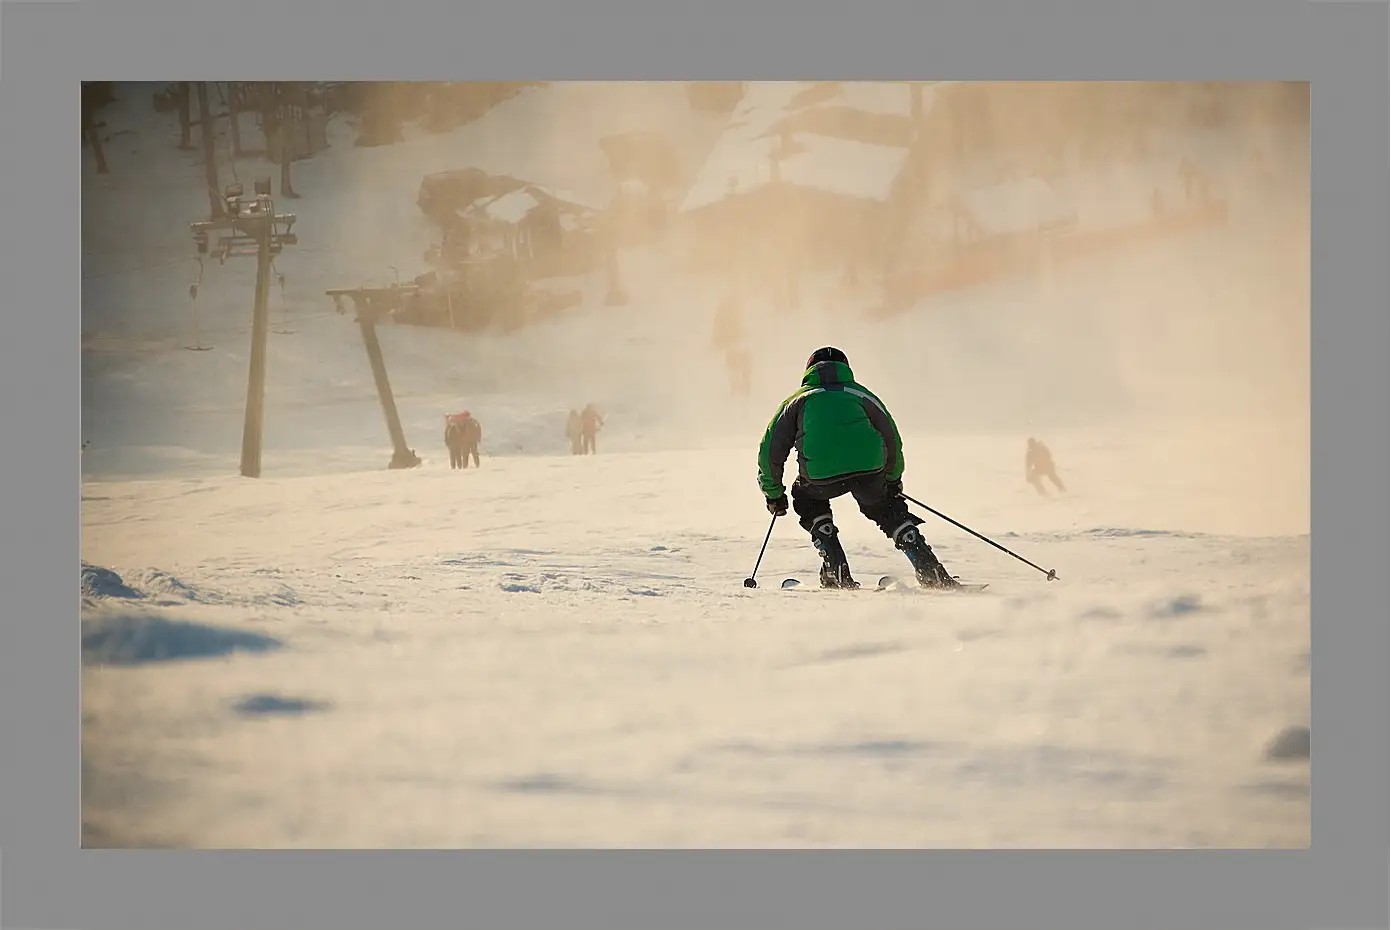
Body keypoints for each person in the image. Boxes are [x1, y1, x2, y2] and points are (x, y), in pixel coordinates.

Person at [756, 346, 959, 590]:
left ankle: (834, 566)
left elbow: (770, 451)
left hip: (820, 476)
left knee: (806, 497)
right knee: (886, 508)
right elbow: (891, 438)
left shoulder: (797, 400)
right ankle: (929, 568)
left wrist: (774, 494)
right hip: (870, 470)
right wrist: (892, 480)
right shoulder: (861, 395)